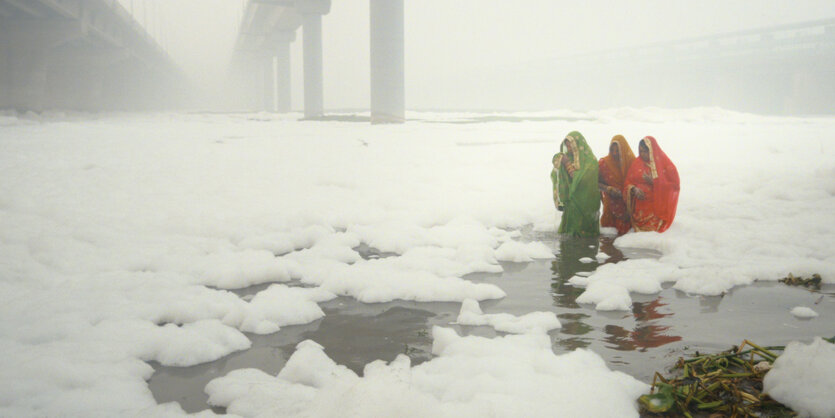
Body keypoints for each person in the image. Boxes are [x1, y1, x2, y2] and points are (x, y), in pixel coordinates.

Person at [625, 136, 680, 232]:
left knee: (652, 231)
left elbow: (674, 186)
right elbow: (628, 182)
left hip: (656, 210)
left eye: (645, 151)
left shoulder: (664, 164)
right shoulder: (636, 163)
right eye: (641, 151)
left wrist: (655, 182)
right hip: (639, 209)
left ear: (652, 151)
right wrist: (634, 189)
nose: (643, 154)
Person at [555, 131, 600, 237]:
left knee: (586, 235)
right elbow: (556, 167)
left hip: (587, 203)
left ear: (578, 146)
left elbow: (582, 180)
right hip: (571, 203)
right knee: (570, 234)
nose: (569, 150)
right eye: (567, 147)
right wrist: (561, 162)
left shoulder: (591, 162)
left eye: (571, 147)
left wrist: (568, 166)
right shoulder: (568, 158)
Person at [598, 135, 635, 235]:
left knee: (626, 236)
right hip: (610, 204)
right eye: (612, 150)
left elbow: (638, 183)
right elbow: (595, 183)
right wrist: (608, 188)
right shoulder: (604, 163)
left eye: (617, 150)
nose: (614, 153)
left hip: (628, 206)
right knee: (607, 238)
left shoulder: (632, 162)